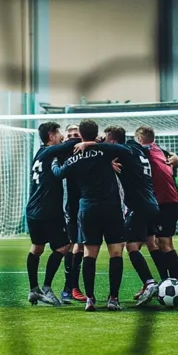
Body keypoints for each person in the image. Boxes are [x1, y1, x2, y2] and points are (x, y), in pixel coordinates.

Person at [52, 119, 127, 312]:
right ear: (96, 134)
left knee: (89, 254)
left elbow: (59, 173)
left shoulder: (75, 157)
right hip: (111, 208)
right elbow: (128, 151)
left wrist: (53, 163)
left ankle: (90, 299)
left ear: (81, 135)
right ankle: (113, 298)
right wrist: (97, 144)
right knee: (116, 253)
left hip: (88, 209)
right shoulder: (105, 150)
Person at [103, 126, 160, 306]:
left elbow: (101, 152)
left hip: (139, 205)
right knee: (150, 243)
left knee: (131, 246)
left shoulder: (123, 150)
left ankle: (150, 282)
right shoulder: (137, 148)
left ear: (112, 141)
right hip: (152, 204)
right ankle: (160, 282)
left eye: (106, 139)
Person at [25, 121, 77, 306]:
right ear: (51, 135)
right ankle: (46, 288)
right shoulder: (49, 152)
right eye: (60, 133)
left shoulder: (39, 155)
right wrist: (91, 140)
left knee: (37, 248)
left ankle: (34, 290)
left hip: (33, 209)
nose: (62, 136)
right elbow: (71, 144)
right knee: (64, 247)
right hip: (48, 210)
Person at [135, 126, 178, 287]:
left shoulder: (145, 151)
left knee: (164, 243)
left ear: (140, 139)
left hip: (167, 203)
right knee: (151, 242)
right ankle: (165, 282)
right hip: (156, 204)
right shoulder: (160, 151)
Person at [61, 125, 85, 303]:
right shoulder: (63, 152)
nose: (72, 137)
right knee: (72, 246)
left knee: (84, 247)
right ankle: (70, 287)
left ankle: (73, 287)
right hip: (71, 207)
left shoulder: (92, 149)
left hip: (90, 205)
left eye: (76, 134)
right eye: (69, 134)